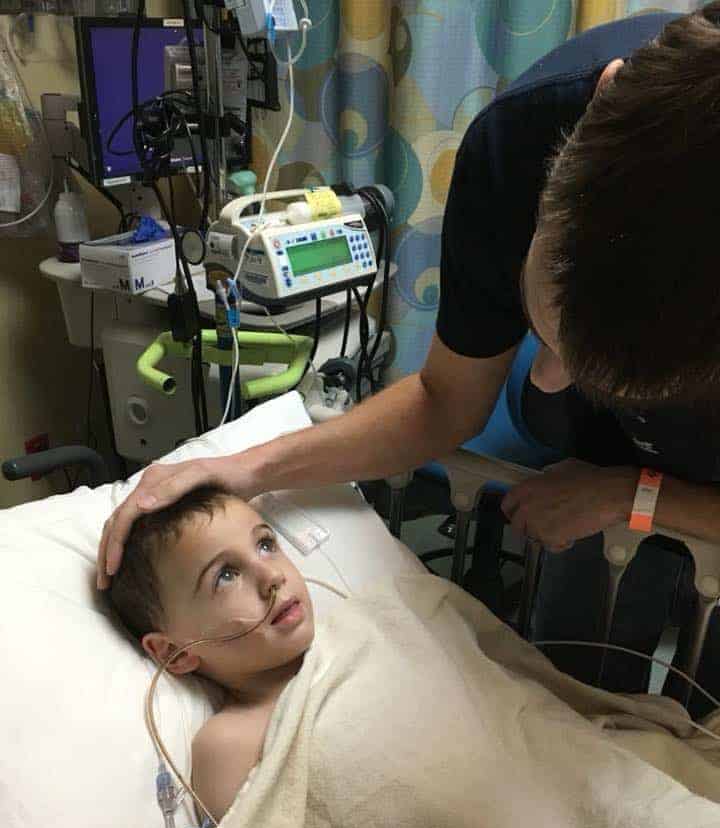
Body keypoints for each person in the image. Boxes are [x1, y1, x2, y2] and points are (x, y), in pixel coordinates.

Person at [99, 5, 720, 717]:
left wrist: (637, 495)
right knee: (578, 686)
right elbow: (446, 402)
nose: (545, 379)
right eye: (544, 336)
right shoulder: (521, 143)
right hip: (593, 472)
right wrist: (246, 467)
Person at [109, 485, 315, 825]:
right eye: (226, 575)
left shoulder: (359, 627)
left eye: (265, 544)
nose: (273, 576)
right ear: (173, 653)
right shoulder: (231, 744)